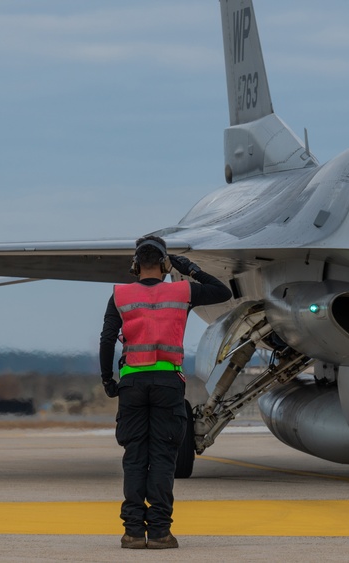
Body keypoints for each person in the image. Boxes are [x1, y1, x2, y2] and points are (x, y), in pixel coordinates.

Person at [99, 235, 231, 549]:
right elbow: (222, 291)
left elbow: (106, 340)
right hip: (168, 384)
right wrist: (191, 268)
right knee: (162, 457)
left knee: (134, 458)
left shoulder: (120, 294)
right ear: (165, 263)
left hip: (131, 384)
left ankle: (132, 531)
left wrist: (108, 380)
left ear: (135, 265)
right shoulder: (182, 290)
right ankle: (159, 531)